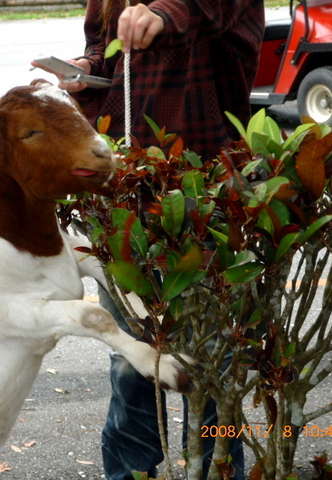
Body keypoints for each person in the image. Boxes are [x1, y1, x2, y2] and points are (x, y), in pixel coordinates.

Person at [33, 0, 264, 478]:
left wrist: (161, 13)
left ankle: (216, 470)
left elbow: (203, 11)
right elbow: (102, 46)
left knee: (212, 363)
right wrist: (86, 70)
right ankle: (129, 473)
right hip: (122, 193)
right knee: (130, 362)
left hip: (204, 189)